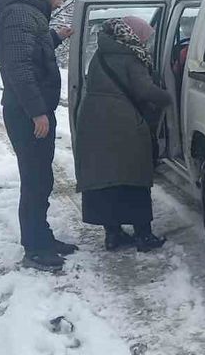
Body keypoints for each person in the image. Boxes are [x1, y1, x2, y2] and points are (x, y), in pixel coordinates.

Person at [0, 0, 78, 273]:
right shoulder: (19, 14)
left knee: (42, 178)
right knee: (34, 179)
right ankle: (35, 247)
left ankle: (42, 237)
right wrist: (37, 112)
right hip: (26, 113)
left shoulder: (31, 15)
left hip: (32, 110)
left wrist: (56, 36)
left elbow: (33, 51)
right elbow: (18, 68)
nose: (60, 0)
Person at [73, 17, 170, 252]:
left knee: (106, 179)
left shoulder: (101, 55)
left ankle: (113, 235)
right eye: (145, 38)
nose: (146, 43)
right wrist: (169, 98)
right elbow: (144, 90)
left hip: (93, 121)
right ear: (134, 35)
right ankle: (143, 236)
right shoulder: (131, 57)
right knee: (133, 176)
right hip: (122, 123)